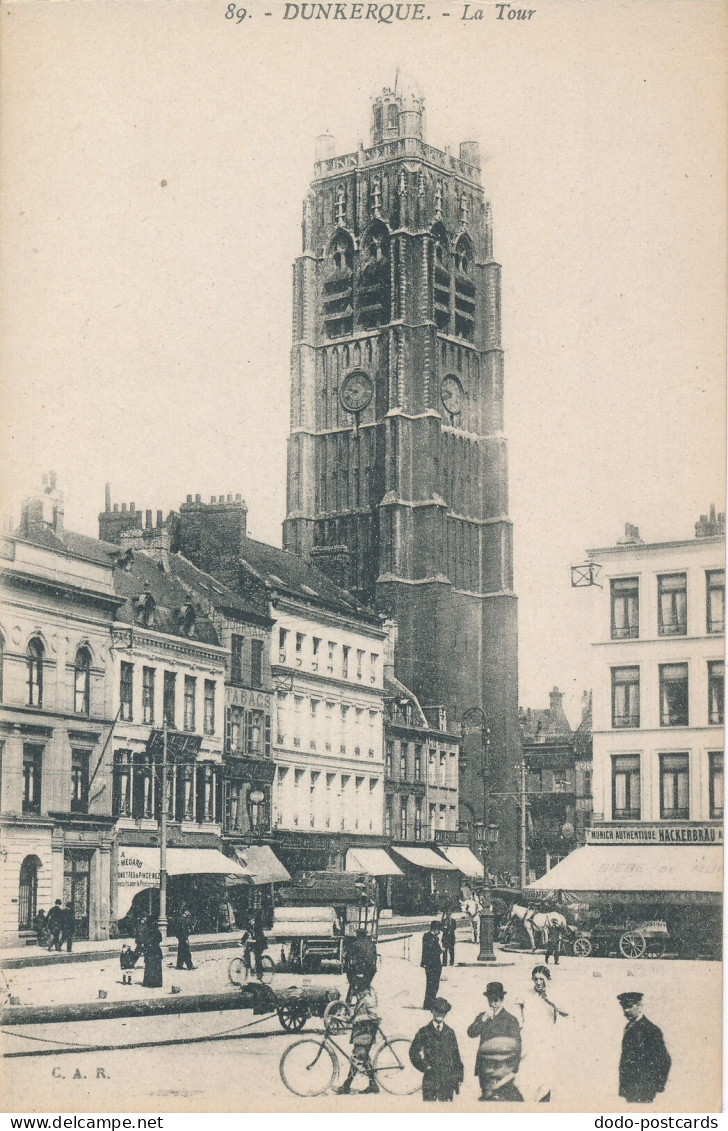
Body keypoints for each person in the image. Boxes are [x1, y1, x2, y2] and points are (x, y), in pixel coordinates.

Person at [516, 965, 569, 1103]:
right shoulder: (526, 994)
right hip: (529, 1041)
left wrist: (548, 998)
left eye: (541, 979)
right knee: (527, 1078)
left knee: (545, 1079)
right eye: (536, 979)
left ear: (547, 979)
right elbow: (517, 1008)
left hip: (546, 1042)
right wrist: (521, 1025)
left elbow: (566, 1012)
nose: (538, 982)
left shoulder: (553, 995)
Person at [467, 981, 523, 1102]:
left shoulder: (510, 1020)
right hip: (485, 1068)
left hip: (502, 1069)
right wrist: (482, 1020)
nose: (493, 1004)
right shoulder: (483, 1016)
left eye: (496, 1000)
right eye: (490, 1000)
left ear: (502, 1000)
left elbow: (517, 1047)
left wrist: (513, 1069)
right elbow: (471, 1033)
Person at [617, 992, 671, 1103]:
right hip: (630, 1088)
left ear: (640, 1006)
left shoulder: (651, 1030)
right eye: (624, 1007)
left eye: (630, 1006)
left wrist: (656, 1087)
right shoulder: (629, 1027)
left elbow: (664, 1060)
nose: (626, 1010)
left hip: (643, 1089)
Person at [409, 996, 464, 1102]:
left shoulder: (450, 1032)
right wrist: (425, 1066)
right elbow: (413, 1052)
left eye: (443, 1011)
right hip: (430, 1079)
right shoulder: (424, 1031)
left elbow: (456, 1056)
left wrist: (459, 1076)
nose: (440, 1014)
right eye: (437, 1011)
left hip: (447, 1080)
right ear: (432, 1011)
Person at [335, 977, 382, 1094]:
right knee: (363, 1060)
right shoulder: (362, 1000)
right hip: (361, 1034)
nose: (357, 994)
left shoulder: (368, 1000)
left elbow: (376, 1016)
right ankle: (373, 1085)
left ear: (364, 991)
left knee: (356, 1059)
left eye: (358, 992)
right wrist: (341, 1018)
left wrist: (359, 1019)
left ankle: (346, 1086)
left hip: (366, 1035)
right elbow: (354, 1017)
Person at [344, 927, 378, 1002]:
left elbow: (348, 956)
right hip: (371, 970)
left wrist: (346, 966)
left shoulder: (354, 944)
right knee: (365, 984)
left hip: (359, 969)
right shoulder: (372, 944)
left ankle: (352, 995)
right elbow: (375, 957)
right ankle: (363, 990)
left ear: (358, 935)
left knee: (351, 978)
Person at [420, 921, 443, 1010]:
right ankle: (429, 1004)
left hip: (432, 965)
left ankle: (429, 1003)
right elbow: (434, 950)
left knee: (432, 984)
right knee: (433, 985)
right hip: (433, 965)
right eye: (439, 930)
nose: (439, 932)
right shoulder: (430, 937)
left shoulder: (429, 937)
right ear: (435, 929)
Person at [141, 918, 164, 988]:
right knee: (157, 967)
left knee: (149, 967)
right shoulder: (157, 932)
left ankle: (148, 982)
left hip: (149, 951)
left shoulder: (146, 931)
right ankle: (157, 982)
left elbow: (144, 941)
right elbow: (160, 939)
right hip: (156, 951)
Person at [175, 906, 195, 971]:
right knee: (187, 952)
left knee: (181, 951)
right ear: (185, 911)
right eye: (188, 911)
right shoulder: (183, 919)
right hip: (183, 937)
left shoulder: (179, 918)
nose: (189, 913)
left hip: (180, 937)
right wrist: (186, 938)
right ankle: (190, 966)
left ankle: (179, 965)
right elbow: (183, 929)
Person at [251, 908, 268, 979]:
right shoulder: (256, 923)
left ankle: (260, 973)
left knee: (257, 956)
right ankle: (254, 969)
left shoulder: (257, 924)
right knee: (254, 955)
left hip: (260, 942)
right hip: (258, 942)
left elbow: (252, 933)